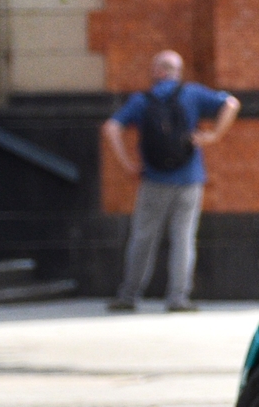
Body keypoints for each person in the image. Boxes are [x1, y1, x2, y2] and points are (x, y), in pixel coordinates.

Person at [102, 51, 238, 312]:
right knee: (184, 239)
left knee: (142, 238)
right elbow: (231, 104)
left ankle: (129, 295)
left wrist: (127, 164)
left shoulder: (141, 100)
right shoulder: (193, 94)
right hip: (190, 179)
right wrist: (214, 136)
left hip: (153, 179)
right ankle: (178, 298)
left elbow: (111, 127)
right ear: (177, 71)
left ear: (157, 71)